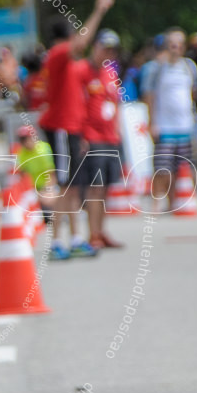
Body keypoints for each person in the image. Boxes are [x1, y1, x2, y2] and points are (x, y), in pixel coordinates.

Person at [39, 0, 115, 260]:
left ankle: (75, 237)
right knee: (65, 186)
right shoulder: (59, 53)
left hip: (71, 129)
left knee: (73, 186)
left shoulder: (72, 63)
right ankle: (57, 240)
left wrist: (82, 130)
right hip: (60, 127)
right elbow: (82, 44)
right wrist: (98, 10)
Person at [143, 28, 197, 211]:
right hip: (164, 125)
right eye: (172, 45)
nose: (175, 48)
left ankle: (176, 201)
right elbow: (149, 96)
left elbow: (193, 93)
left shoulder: (189, 66)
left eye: (179, 45)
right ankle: (157, 201)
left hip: (185, 125)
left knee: (181, 167)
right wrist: (152, 123)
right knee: (162, 167)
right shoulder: (157, 68)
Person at [78, 29, 125, 249]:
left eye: (111, 50)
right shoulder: (83, 71)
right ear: (95, 47)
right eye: (104, 48)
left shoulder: (110, 73)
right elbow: (77, 105)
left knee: (105, 187)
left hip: (110, 137)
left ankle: (101, 230)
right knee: (94, 187)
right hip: (92, 136)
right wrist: (81, 135)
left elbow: (115, 105)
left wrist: (118, 133)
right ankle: (93, 233)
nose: (107, 53)